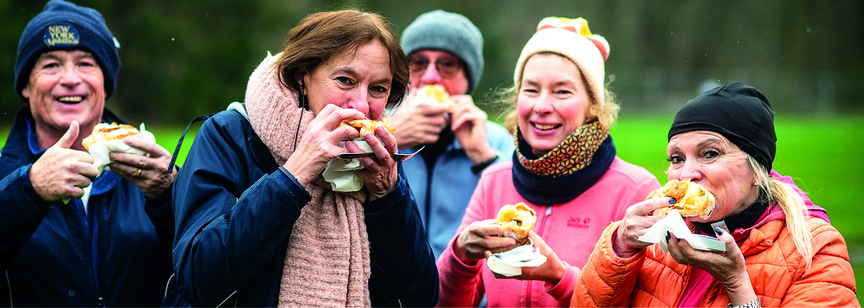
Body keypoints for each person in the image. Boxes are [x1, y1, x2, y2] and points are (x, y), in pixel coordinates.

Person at [0, 1, 181, 306]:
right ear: (26, 86)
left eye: (85, 63)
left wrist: (168, 196)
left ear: (105, 84)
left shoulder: (155, 171)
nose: (70, 78)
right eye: (51, 64)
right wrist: (28, 190)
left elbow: (214, 275)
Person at [169, 10, 439, 307]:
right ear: (302, 78)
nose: (361, 104)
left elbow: (418, 298)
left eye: (378, 89)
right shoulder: (228, 135)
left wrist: (388, 194)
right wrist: (295, 172)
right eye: (346, 80)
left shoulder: (378, 158)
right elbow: (198, 280)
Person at [436, 17, 660, 307]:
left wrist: (558, 276)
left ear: (592, 105)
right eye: (531, 90)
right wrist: (460, 255)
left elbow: (645, 301)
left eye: (562, 91)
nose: (541, 106)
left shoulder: (634, 190)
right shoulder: (495, 180)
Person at [571, 82, 859, 307]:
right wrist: (620, 246)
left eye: (710, 153)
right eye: (676, 158)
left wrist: (736, 284)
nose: (686, 175)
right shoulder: (658, 235)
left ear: (758, 168)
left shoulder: (815, 250)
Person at [393, 10, 516, 258]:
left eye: (447, 65)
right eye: (418, 63)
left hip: (468, 291)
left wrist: (483, 157)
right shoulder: (375, 127)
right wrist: (389, 137)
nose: (430, 78)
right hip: (390, 294)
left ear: (468, 80)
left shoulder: (497, 141)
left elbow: (519, 227)